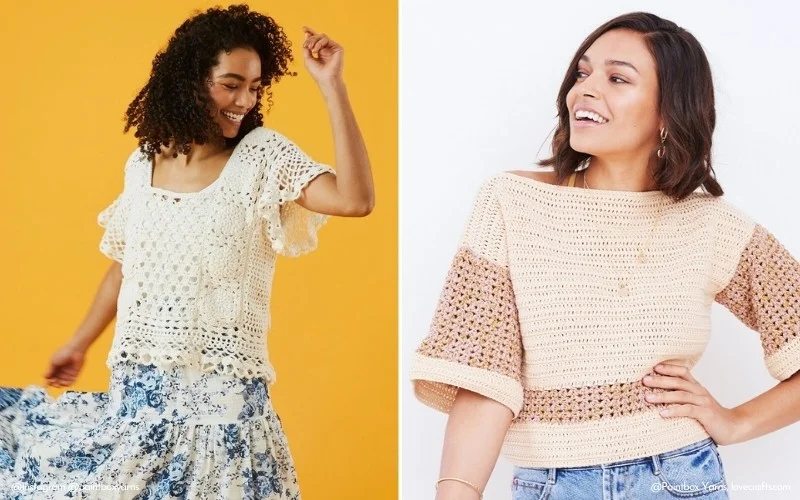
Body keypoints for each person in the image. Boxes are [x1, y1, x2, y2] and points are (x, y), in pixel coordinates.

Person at [409, 11, 800, 500]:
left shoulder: (714, 225)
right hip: (548, 483)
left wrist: (735, 423)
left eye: (617, 78)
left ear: (668, 112)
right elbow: (485, 379)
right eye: (583, 73)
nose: (585, 90)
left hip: (677, 477)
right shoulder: (510, 203)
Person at [0, 4, 374, 499]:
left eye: (256, 86)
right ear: (190, 81)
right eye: (231, 83)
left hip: (222, 418)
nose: (244, 99)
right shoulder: (142, 163)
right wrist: (79, 343)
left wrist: (332, 85)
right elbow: (124, 267)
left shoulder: (263, 156)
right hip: (137, 406)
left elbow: (354, 199)